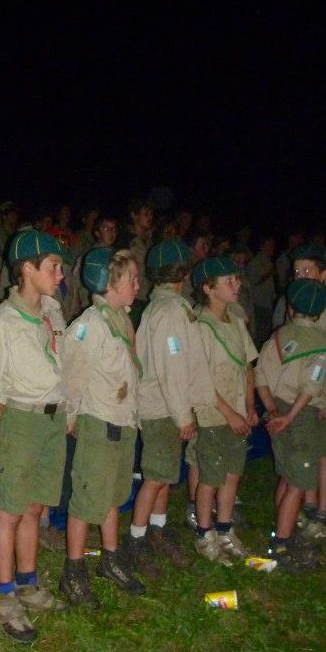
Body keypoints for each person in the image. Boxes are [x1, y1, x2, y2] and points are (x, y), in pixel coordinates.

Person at [0, 229, 71, 643]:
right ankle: (5, 593)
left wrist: (69, 411)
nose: (61, 275)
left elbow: (63, 366)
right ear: (28, 269)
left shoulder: (53, 313)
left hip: (53, 420)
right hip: (21, 422)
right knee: (10, 510)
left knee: (34, 507)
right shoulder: (2, 322)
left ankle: (28, 582)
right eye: (54, 267)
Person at [60, 248, 145, 607]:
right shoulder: (90, 325)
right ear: (110, 283)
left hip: (123, 422)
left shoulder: (121, 319)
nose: (138, 285)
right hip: (98, 423)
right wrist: (71, 419)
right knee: (86, 501)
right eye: (131, 279)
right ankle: (73, 572)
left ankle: (110, 559)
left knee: (113, 495)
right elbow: (70, 377)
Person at [127, 240, 209, 575]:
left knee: (163, 476)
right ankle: (136, 541)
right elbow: (171, 368)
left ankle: (157, 531)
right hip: (162, 407)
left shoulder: (164, 306)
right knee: (155, 478)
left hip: (165, 405)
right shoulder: (171, 311)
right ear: (185, 273)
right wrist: (182, 414)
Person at [256, 279, 326, 571]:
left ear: (290, 307)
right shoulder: (322, 343)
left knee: (288, 476)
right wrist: (289, 417)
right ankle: (281, 544)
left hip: (276, 408)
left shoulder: (278, 336)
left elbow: (260, 375)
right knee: (300, 482)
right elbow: (311, 387)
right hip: (300, 416)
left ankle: (281, 529)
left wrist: (272, 410)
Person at [191, 257, 259, 565]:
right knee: (210, 476)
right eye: (228, 281)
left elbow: (247, 366)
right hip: (213, 415)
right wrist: (230, 413)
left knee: (232, 474)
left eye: (236, 279)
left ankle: (225, 529)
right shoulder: (201, 326)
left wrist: (249, 406)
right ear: (208, 289)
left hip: (238, 413)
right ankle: (204, 534)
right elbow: (200, 379)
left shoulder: (236, 321)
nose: (236, 285)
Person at [282, 243, 326, 540]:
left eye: (307, 270)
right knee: (305, 452)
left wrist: (325, 399)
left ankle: (321, 513)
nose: (300, 276)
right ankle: (307, 506)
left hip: (319, 396)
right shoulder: (297, 303)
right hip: (299, 394)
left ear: (324, 274)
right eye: (297, 271)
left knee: (322, 453)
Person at [248, 235, 277, 345]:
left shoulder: (268, 261)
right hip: (259, 302)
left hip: (268, 301)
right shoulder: (255, 262)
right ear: (262, 246)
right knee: (260, 332)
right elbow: (254, 281)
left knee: (266, 330)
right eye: (269, 245)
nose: (272, 248)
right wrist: (269, 273)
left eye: (273, 245)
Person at [126, 200, 154, 303]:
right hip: (134, 297)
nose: (150, 217)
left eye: (151, 214)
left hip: (150, 296)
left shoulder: (151, 241)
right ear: (134, 215)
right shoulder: (126, 241)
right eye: (146, 214)